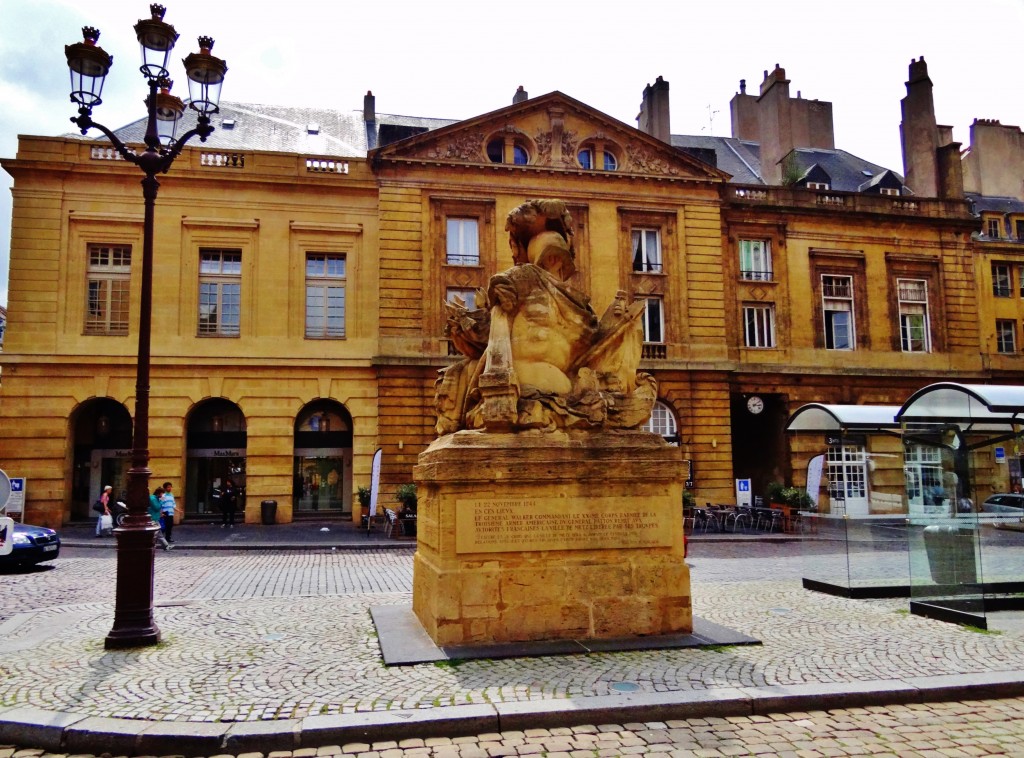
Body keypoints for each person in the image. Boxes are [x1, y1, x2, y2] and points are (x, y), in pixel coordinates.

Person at [148, 486, 173, 550]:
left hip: (155, 518)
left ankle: (165, 546)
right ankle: (166, 546)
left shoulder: (155, 498)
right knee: (158, 533)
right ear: (159, 493)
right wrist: (161, 501)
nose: (163, 495)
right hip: (153, 519)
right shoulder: (153, 499)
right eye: (162, 493)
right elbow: (157, 508)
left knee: (157, 534)